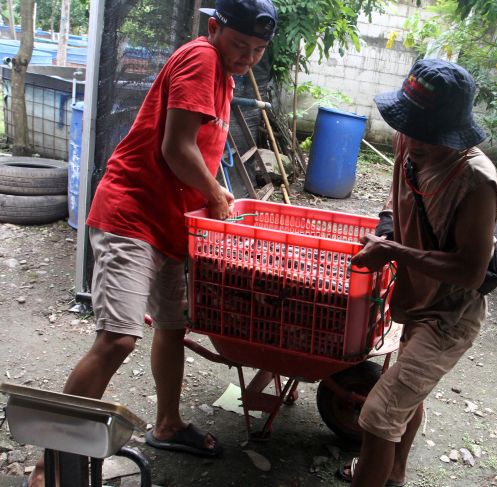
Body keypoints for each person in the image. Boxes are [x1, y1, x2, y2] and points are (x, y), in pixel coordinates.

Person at [26, 0, 277, 484]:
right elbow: (175, 147)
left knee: (171, 326)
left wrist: (210, 194)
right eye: (241, 45)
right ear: (214, 27)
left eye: (258, 50)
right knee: (118, 338)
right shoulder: (202, 57)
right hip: (131, 215)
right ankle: (50, 464)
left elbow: (195, 153)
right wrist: (215, 194)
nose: (248, 57)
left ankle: (167, 424)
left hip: (170, 223)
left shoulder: (225, 75)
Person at [338, 59, 497, 487]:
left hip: (449, 317)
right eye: (407, 126)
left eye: (426, 134)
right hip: (416, 302)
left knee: (376, 416)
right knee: (404, 400)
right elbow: (396, 203)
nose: (410, 140)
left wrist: (393, 251)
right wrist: (386, 233)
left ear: (453, 132)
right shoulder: (409, 145)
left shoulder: (474, 181)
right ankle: (393, 476)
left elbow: (469, 271)